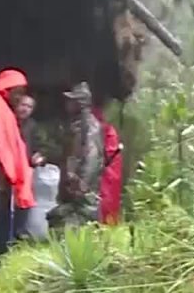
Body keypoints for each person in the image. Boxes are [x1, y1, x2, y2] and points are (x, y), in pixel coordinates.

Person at [0, 69, 35, 253]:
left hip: (3, 173)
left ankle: (0, 251)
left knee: (3, 216)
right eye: (17, 93)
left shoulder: (3, 106)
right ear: (7, 88)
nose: (20, 98)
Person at [49, 82, 103, 229]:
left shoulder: (89, 126)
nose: (67, 103)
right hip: (71, 183)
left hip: (82, 186)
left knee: (85, 221)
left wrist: (82, 184)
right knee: (63, 219)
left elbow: (92, 157)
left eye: (71, 100)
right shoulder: (75, 124)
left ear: (80, 103)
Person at [92, 104, 124, 225]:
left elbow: (109, 154)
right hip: (105, 169)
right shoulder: (102, 130)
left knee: (107, 198)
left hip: (108, 171)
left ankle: (106, 224)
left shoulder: (107, 130)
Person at [15, 94, 45, 167]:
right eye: (23, 105)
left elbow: (37, 146)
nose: (25, 109)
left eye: (29, 107)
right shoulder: (8, 121)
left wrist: (38, 156)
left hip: (25, 167)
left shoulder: (32, 125)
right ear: (16, 105)